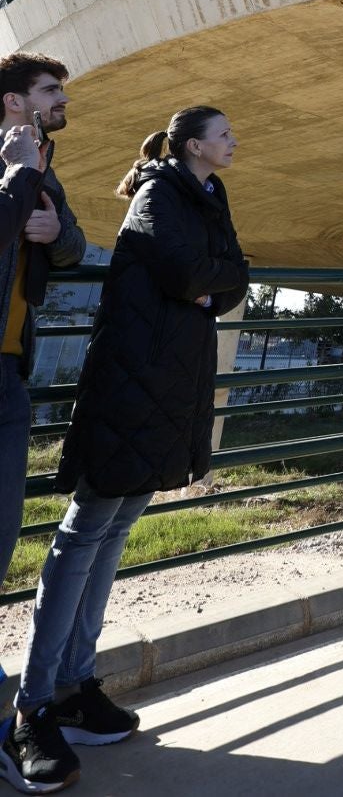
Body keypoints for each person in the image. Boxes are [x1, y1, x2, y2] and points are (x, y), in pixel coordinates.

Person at [2, 107, 248, 793]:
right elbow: (188, 272)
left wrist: (215, 280)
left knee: (112, 532)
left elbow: (234, 278)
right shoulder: (156, 194)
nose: (235, 142)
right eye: (225, 134)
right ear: (194, 143)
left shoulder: (206, 194)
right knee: (83, 535)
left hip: (172, 384)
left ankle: (76, 685)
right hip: (132, 383)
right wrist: (211, 280)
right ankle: (33, 705)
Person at [0, 57, 85, 589]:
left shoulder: (46, 167)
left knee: (4, 525)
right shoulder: (24, 163)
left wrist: (55, 232)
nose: (64, 100)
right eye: (51, 90)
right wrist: (20, 170)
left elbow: (75, 247)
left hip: (11, 374)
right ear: (14, 100)